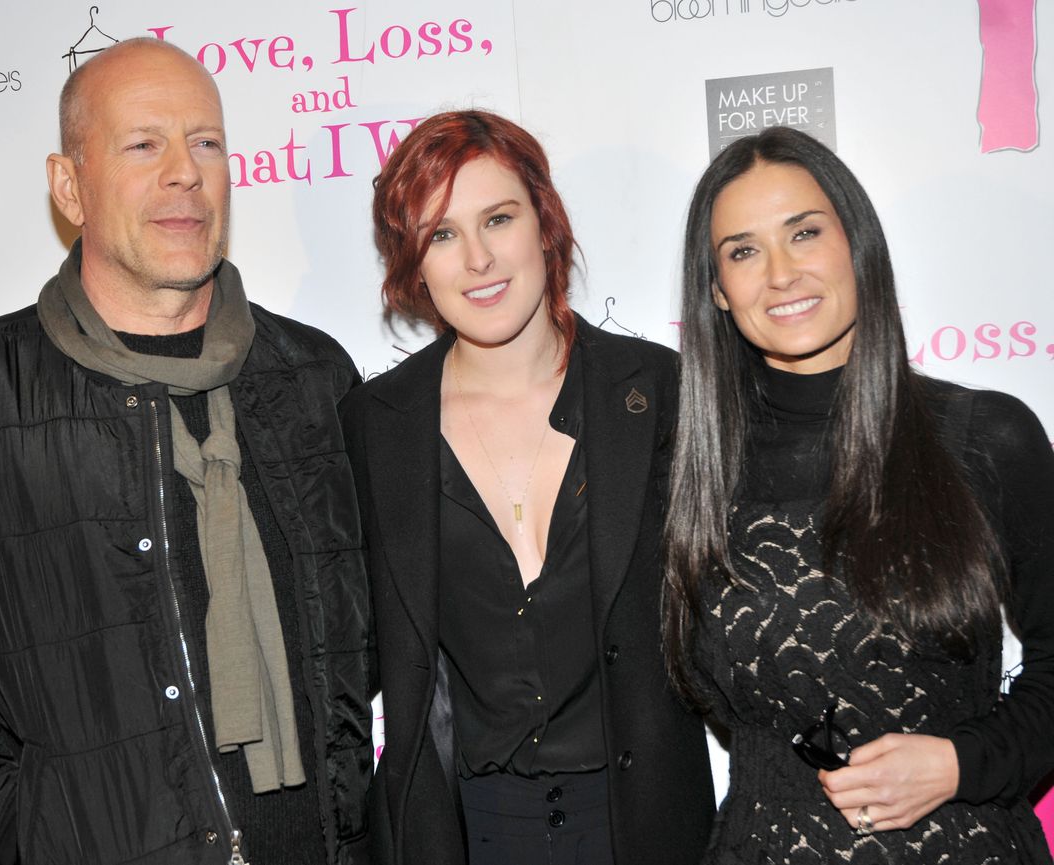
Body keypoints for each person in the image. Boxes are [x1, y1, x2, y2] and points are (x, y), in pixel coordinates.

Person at [0, 38, 373, 865]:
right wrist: (24, 823)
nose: (184, 172)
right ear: (70, 185)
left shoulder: (314, 377)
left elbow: (374, 628)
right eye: (143, 144)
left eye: (205, 142)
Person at [662, 125, 1054, 863]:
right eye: (743, 251)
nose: (779, 273)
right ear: (717, 289)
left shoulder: (986, 437)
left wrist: (961, 761)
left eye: (803, 233)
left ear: (856, 243)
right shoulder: (692, 472)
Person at [341, 109, 715, 865]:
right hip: (468, 832)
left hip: (645, 824)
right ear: (415, 264)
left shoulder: (657, 393)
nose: (477, 258)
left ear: (543, 224)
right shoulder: (374, 428)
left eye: (498, 219)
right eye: (442, 234)